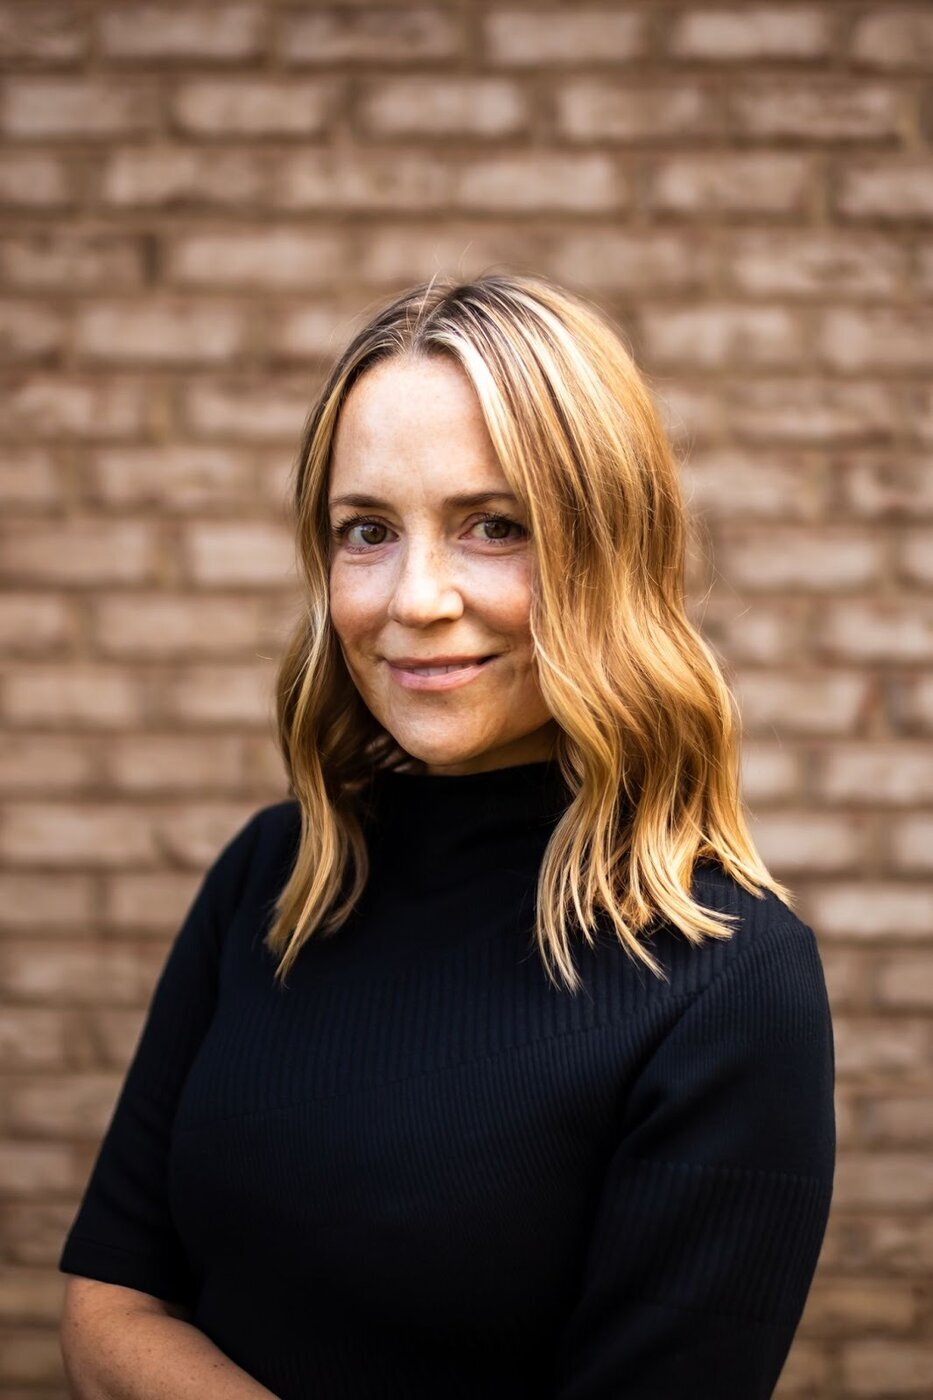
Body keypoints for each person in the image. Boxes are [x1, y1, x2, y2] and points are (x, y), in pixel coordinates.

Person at [58, 271, 836, 1399]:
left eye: (494, 527)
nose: (415, 598)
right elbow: (107, 1307)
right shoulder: (270, 878)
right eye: (367, 530)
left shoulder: (730, 978)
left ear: (608, 550)